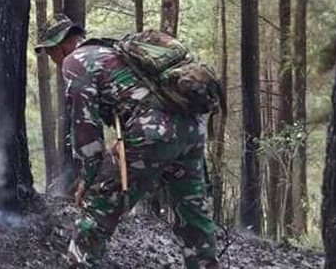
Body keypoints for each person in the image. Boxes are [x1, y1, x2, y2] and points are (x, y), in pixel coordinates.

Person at [35, 14, 219, 269]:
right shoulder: (113, 52)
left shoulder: (75, 60)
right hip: (191, 129)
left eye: (49, 53)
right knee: (194, 215)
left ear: (60, 46)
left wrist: (88, 179)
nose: (53, 60)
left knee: (98, 209)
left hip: (152, 133)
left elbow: (85, 126)